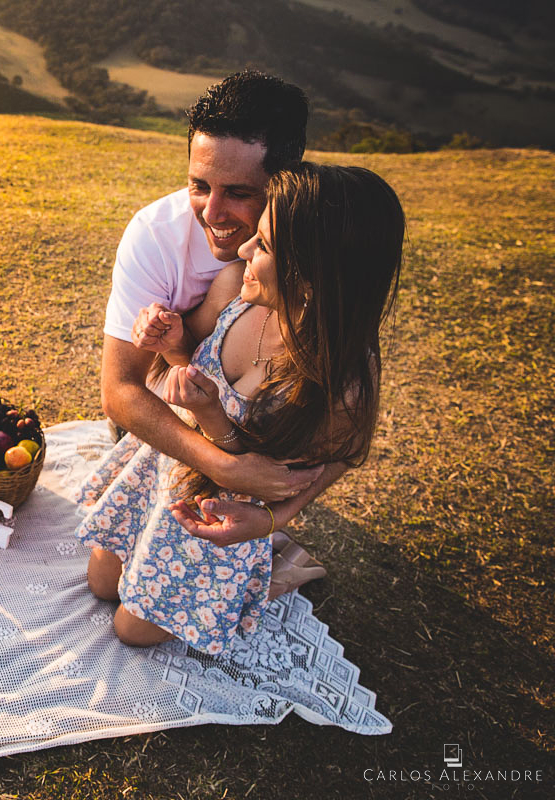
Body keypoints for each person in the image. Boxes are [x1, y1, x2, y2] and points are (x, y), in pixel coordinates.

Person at [77, 162, 405, 653]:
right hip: (167, 468)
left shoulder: (341, 383)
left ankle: (272, 572)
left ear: (314, 274)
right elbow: (193, 363)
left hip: (218, 520)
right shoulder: (236, 290)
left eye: (266, 245)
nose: (246, 246)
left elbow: (335, 460)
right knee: (100, 582)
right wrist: (171, 343)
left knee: (133, 632)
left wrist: (274, 521)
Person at [102, 70, 321, 504]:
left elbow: (349, 427)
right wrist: (228, 468)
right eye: (199, 186)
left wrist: (278, 513)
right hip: (166, 421)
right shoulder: (155, 235)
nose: (212, 214)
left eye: (238, 192)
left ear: (287, 181)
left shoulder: (320, 248)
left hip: (267, 440)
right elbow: (120, 390)